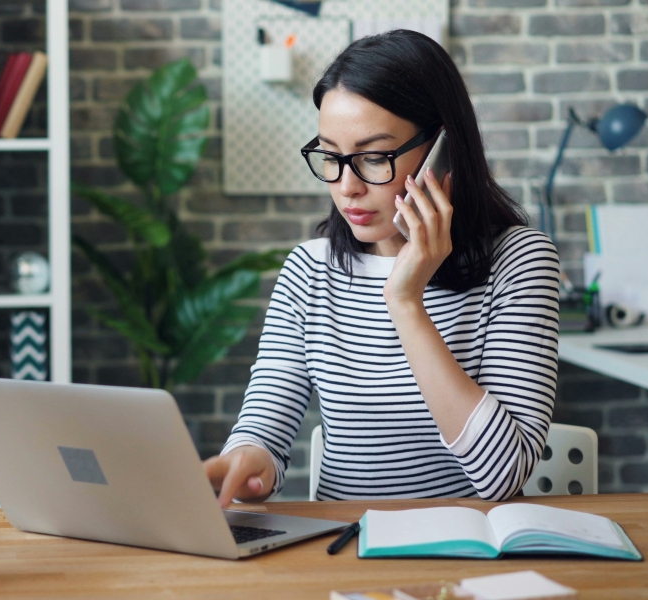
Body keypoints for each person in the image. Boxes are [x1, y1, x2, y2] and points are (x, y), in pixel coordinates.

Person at [203, 30, 560, 505]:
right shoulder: (309, 271)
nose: (346, 186)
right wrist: (249, 460)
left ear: (443, 151)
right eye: (331, 157)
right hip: (341, 547)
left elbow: (502, 476)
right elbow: (265, 426)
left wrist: (406, 301)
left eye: (373, 158)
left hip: (466, 555)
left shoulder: (519, 260)